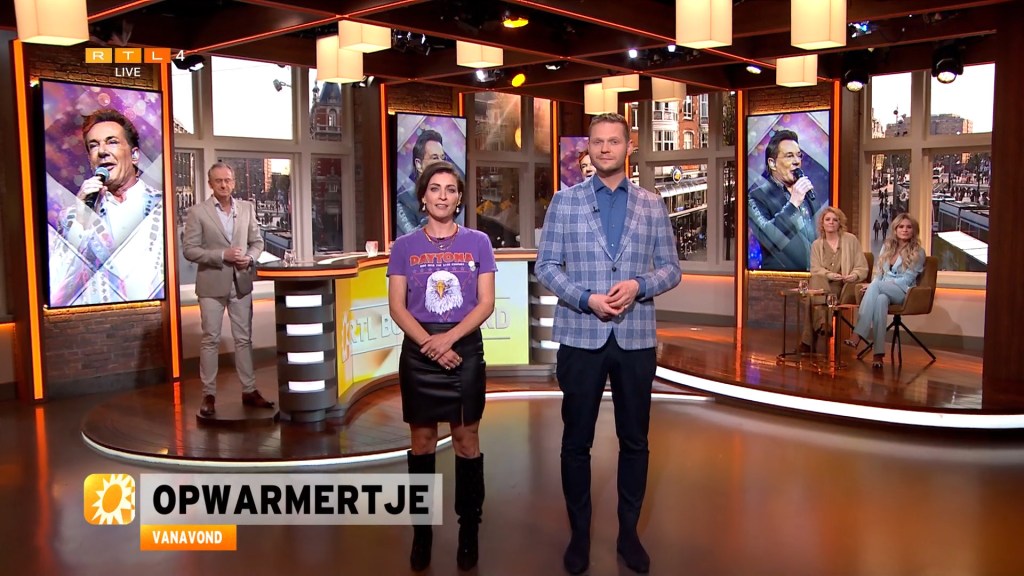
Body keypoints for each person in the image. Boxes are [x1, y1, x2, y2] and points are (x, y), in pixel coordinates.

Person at [536, 112, 681, 575]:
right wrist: (585, 298)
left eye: (613, 141)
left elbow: (671, 269)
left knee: (634, 441)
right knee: (575, 442)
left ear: (628, 146)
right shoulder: (564, 202)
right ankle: (579, 536)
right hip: (581, 335)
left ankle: (628, 535)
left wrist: (640, 285)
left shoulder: (652, 205)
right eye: (597, 141)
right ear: (589, 148)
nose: (604, 148)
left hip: (635, 337)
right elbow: (546, 266)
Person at [386, 161, 496, 572]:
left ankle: (469, 531)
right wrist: (431, 345)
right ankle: (422, 533)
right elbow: (398, 307)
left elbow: (485, 303)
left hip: (463, 348)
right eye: (435, 188)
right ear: (423, 197)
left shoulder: (479, 242)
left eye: (450, 189)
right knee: (422, 443)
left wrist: (448, 340)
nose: (443, 196)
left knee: (467, 441)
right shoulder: (405, 246)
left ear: (459, 198)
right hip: (420, 352)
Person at [182, 163, 274, 417]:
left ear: (234, 182)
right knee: (210, 339)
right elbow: (189, 250)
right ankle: (208, 395)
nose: (224, 185)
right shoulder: (198, 212)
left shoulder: (246, 208)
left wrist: (250, 258)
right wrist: (222, 255)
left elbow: (257, 242)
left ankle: (249, 390)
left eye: (228, 180)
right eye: (218, 181)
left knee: (244, 339)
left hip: (240, 283)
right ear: (210, 184)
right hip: (211, 284)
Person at [51, 109, 164, 306]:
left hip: (154, 315)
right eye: (94, 145)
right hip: (99, 319)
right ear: (90, 160)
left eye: (112, 142)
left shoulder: (162, 207)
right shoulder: (72, 217)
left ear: (134, 155)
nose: (102, 151)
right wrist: (81, 222)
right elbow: (57, 290)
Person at [844, 213, 926, 369]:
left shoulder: (918, 252)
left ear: (914, 230)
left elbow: (907, 280)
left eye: (909, 227)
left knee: (875, 286)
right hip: (884, 289)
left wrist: (875, 285)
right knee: (881, 300)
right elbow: (879, 274)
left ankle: (858, 333)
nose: (905, 230)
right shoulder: (887, 247)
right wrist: (876, 284)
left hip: (903, 291)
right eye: (901, 227)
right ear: (895, 229)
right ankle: (878, 354)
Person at [747, 129, 824, 270]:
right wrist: (793, 205)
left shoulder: (808, 194)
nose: (797, 161)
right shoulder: (756, 197)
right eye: (789, 156)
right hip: (780, 278)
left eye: (799, 156)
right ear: (772, 163)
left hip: (814, 275)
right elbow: (769, 239)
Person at [801, 207, 868, 351]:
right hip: (823, 284)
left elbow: (862, 267)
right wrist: (830, 275)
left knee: (811, 298)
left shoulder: (851, 240)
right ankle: (824, 324)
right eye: (827, 219)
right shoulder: (816, 245)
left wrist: (854, 275)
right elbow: (815, 269)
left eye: (835, 220)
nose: (831, 222)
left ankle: (807, 342)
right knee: (817, 278)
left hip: (843, 286)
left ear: (840, 223)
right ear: (822, 223)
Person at [395, 129, 446, 236]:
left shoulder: (448, 197)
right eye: (435, 158)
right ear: (419, 164)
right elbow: (412, 237)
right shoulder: (403, 200)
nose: (441, 164)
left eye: (442, 158)